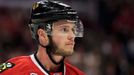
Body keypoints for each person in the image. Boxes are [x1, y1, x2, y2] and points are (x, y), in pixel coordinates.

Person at [0, 0, 84, 75]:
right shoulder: (13, 71)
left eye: (73, 29)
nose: (72, 36)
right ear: (42, 35)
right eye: (64, 29)